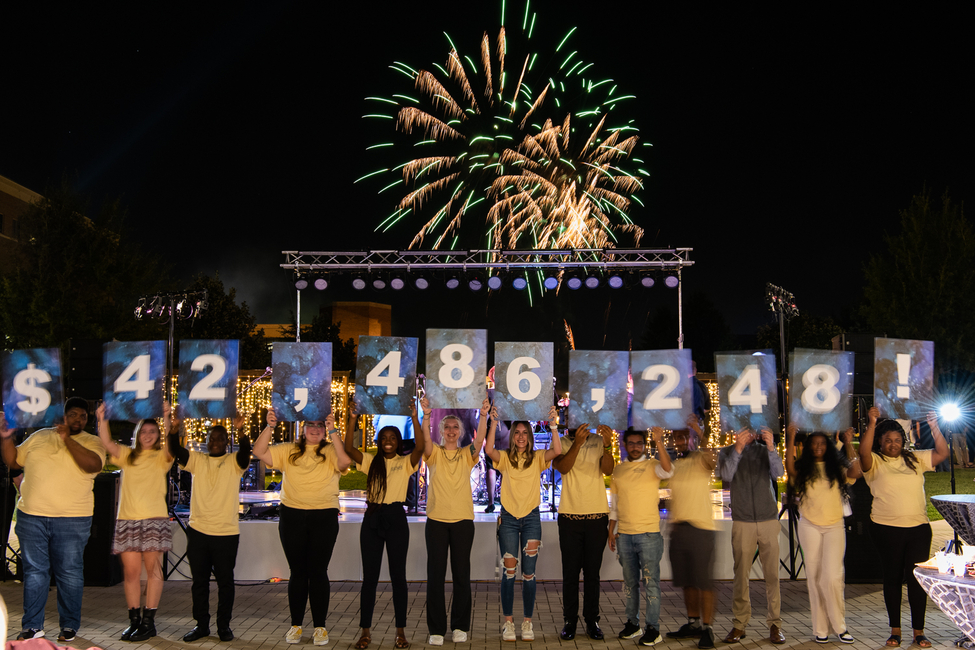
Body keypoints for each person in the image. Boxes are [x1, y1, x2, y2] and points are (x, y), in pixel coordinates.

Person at [0, 397, 105, 642]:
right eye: (74, 415)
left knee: (69, 573)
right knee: (35, 573)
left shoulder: (92, 442)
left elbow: (93, 465)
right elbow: (13, 460)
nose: (79, 419)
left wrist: (67, 439)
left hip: (73, 520)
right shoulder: (39, 437)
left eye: (84, 416)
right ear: (63, 416)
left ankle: (69, 626)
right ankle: (32, 627)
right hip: (32, 517)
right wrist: (5, 437)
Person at [252, 408, 352, 646]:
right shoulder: (289, 450)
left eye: (320, 425)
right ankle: (296, 625)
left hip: (324, 516)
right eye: (311, 425)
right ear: (302, 429)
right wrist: (270, 426)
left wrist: (334, 430)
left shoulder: (329, 450)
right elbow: (258, 451)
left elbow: (345, 461)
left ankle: (320, 627)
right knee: (297, 573)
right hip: (293, 516)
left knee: (318, 573)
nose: (316, 429)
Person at [859, 407, 948, 649]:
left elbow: (942, 452)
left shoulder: (915, 458)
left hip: (918, 529)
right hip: (885, 528)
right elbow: (863, 451)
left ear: (903, 441)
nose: (893, 444)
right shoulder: (874, 461)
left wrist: (933, 424)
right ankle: (895, 630)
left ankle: (919, 632)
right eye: (887, 440)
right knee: (893, 578)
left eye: (897, 440)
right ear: (880, 442)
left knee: (916, 580)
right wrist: (872, 422)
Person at [345, 399, 426, 650]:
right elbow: (348, 447)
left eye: (393, 437)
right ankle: (365, 631)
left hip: (396, 519)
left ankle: (400, 632)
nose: (388, 440)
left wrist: (415, 416)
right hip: (372, 519)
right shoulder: (370, 462)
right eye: (384, 437)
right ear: (379, 442)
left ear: (399, 442)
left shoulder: (406, 463)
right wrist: (353, 418)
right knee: (369, 578)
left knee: (398, 577)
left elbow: (421, 446)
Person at [96, 402, 176, 642]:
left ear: (158, 434)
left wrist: (167, 416)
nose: (148, 435)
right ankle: (134, 620)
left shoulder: (163, 456)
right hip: (127, 521)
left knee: (153, 571)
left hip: (154, 519)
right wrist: (103, 418)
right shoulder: (127, 455)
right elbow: (107, 443)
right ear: (137, 434)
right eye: (144, 431)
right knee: (130, 573)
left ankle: (149, 621)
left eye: (153, 431)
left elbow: (172, 441)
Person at [169, 416, 251, 643]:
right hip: (198, 531)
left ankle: (224, 625)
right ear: (206, 440)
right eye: (211, 438)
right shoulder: (197, 460)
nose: (215, 441)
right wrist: (174, 430)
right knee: (199, 582)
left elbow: (246, 452)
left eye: (220, 439)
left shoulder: (235, 461)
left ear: (227, 442)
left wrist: (241, 430)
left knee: (226, 582)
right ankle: (201, 625)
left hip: (226, 533)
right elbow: (175, 449)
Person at [484, 405, 562, 642]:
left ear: (529, 436)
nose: (520, 436)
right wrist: (494, 422)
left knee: (529, 574)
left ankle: (527, 623)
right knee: (509, 573)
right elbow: (488, 449)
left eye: (524, 433)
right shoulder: (506, 458)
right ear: (512, 436)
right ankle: (508, 623)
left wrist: (553, 425)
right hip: (508, 519)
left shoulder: (538, 458)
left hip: (531, 520)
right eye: (516, 432)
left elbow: (557, 450)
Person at [422, 398, 490, 646]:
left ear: (461, 432)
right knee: (435, 576)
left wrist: (483, 416)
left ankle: (460, 626)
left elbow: (480, 440)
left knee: (462, 575)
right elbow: (425, 440)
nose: (451, 431)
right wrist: (427, 415)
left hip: (462, 522)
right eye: (447, 427)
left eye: (455, 428)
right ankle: (436, 629)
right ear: (441, 432)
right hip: (437, 522)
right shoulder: (433, 454)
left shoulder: (467, 454)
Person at [785, 424, 861, 643]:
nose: (818, 447)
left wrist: (848, 443)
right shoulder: (803, 469)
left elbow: (856, 471)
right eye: (814, 444)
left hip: (834, 525)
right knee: (815, 578)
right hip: (809, 525)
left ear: (827, 447)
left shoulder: (836, 468)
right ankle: (820, 629)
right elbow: (789, 468)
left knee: (833, 577)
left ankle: (840, 625)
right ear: (809, 448)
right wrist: (790, 436)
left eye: (821, 444)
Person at [717, 426, 786, 645]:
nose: (749, 432)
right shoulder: (726, 451)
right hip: (743, 520)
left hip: (767, 518)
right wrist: (738, 448)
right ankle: (739, 624)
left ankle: (775, 624)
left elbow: (778, 472)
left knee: (772, 575)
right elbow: (726, 475)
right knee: (741, 575)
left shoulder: (766, 449)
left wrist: (771, 446)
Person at [608, 427, 673, 646]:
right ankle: (632, 624)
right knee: (630, 583)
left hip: (649, 534)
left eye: (639, 443)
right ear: (625, 445)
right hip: (624, 534)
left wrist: (659, 442)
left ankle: (653, 628)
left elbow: (669, 471)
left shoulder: (653, 465)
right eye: (631, 443)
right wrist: (611, 530)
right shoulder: (618, 470)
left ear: (644, 445)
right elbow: (615, 506)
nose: (635, 447)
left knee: (651, 583)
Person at [552, 421, 615, 640]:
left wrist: (607, 446)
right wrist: (577, 444)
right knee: (570, 574)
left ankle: (592, 620)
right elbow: (562, 467)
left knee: (592, 574)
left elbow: (608, 470)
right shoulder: (561, 441)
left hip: (597, 516)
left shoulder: (599, 441)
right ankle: (570, 621)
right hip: (570, 516)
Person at [665, 417, 718, 649]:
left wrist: (701, 432)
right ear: (674, 441)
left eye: (686, 436)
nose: (682, 440)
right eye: (678, 437)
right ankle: (693, 623)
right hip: (679, 529)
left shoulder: (700, 458)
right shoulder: (674, 465)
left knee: (703, 581)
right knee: (687, 581)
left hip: (701, 528)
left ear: (692, 439)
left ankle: (707, 629)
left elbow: (712, 460)